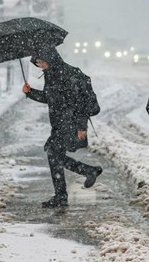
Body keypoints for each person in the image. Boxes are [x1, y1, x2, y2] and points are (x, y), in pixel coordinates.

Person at [22, 47, 103, 208]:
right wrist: (30, 92)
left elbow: (80, 102)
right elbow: (50, 98)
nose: (40, 65)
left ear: (50, 59)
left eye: (41, 62)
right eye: (37, 63)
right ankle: (82, 176)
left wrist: (81, 126)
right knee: (54, 155)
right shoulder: (51, 74)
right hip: (60, 123)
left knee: (53, 154)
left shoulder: (66, 74)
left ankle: (65, 192)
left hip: (70, 122)